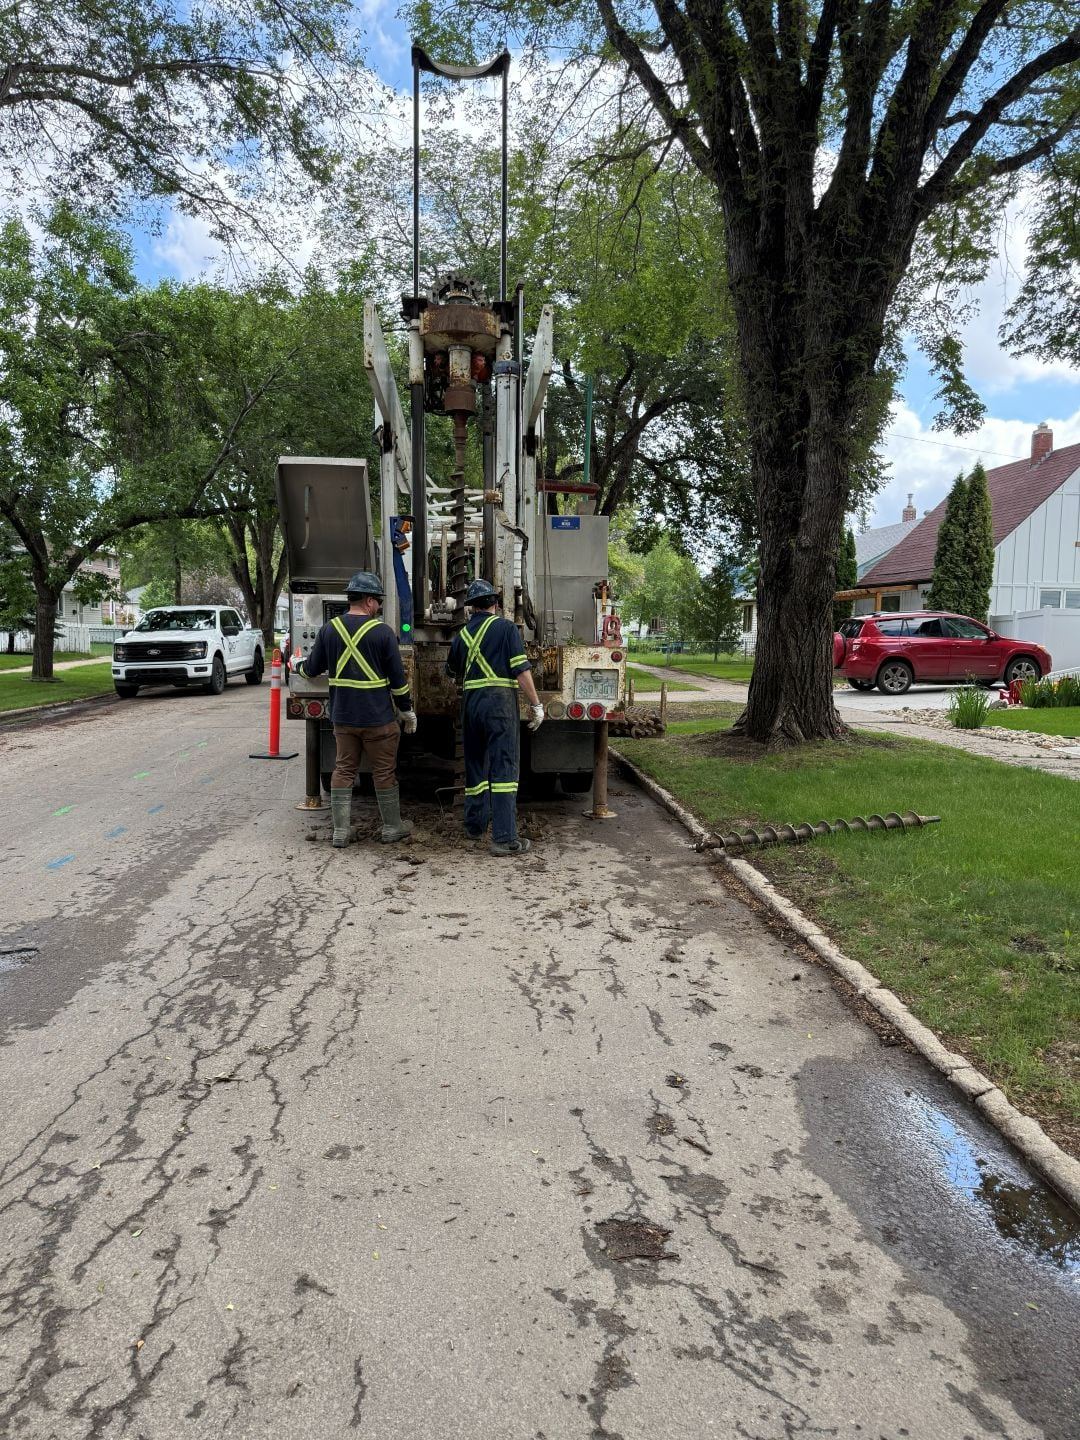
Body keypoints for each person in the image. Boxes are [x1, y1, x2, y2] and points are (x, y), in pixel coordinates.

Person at [296, 571, 418, 846]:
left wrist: (297, 666)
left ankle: (340, 831)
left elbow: (312, 668)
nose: (379, 606)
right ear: (368, 600)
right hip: (378, 719)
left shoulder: (330, 629)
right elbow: (398, 681)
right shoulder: (383, 633)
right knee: (384, 771)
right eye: (378, 601)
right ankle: (391, 828)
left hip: (344, 717)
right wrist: (406, 709)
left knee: (344, 769)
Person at [446, 578, 544, 856]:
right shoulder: (506, 628)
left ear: (471, 608)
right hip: (499, 706)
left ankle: (474, 826)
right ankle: (504, 838)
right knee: (504, 769)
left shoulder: (462, 635)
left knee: (475, 767)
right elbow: (521, 670)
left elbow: (452, 672)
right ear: (496, 604)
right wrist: (536, 704)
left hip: (472, 704)